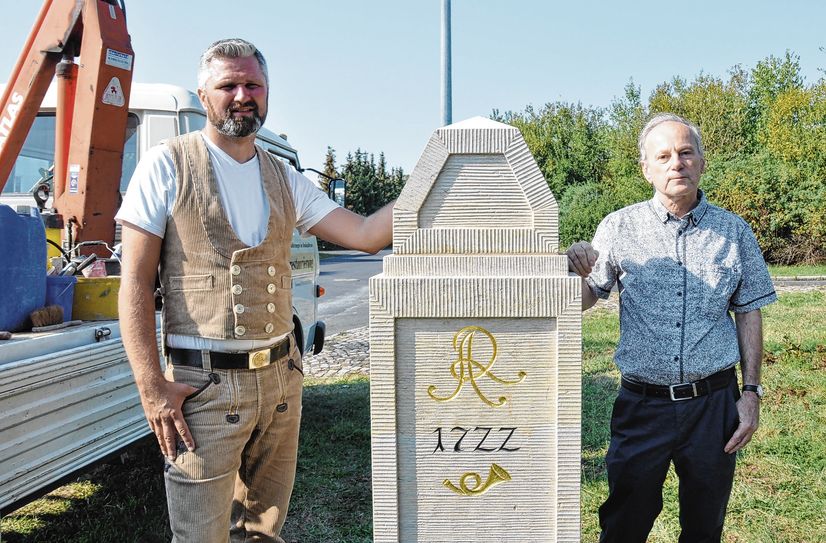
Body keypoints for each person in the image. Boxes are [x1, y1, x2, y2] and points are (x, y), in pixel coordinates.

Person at [117, 38, 392, 543]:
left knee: (265, 534)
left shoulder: (284, 176)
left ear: (267, 93)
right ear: (204, 94)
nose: (242, 95)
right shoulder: (167, 164)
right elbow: (133, 283)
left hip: (281, 382)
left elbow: (367, 236)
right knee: (200, 537)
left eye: (253, 85)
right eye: (229, 85)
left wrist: (436, 183)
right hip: (203, 387)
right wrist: (151, 387)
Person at [566, 113, 776, 543]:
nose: (675, 163)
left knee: (705, 524)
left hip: (713, 405)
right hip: (642, 407)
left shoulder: (734, 232)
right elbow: (588, 296)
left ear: (701, 161)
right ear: (646, 169)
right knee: (625, 520)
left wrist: (751, 394)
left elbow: (749, 310)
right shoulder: (620, 226)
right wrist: (575, 271)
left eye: (685, 153)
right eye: (663, 156)